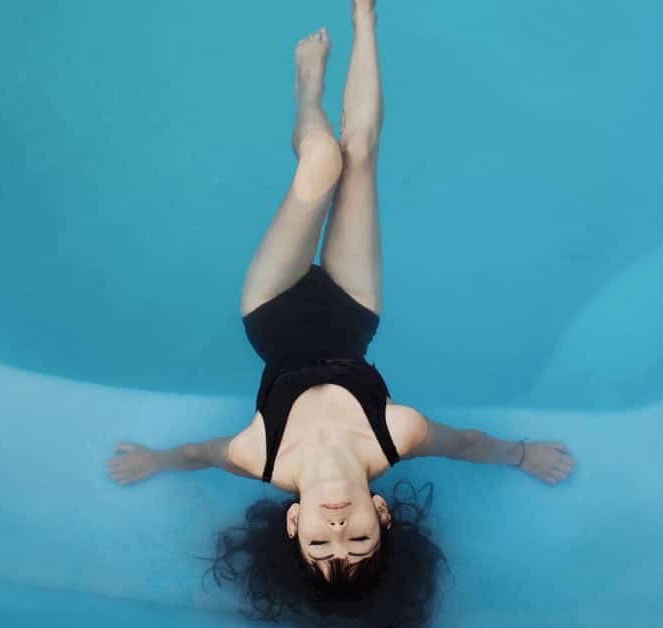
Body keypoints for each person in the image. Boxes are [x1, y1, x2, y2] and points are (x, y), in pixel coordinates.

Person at [109, 1, 575, 625]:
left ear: (294, 523)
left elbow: (199, 454)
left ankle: (306, 92)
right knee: (358, 153)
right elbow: (464, 442)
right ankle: (364, 21)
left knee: (321, 159)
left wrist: (156, 461)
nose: (337, 530)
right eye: (357, 540)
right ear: (381, 516)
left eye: (318, 544)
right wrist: (522, 456)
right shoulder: (395, 438)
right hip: (353, 316)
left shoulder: (262, 457)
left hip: (271, 311)